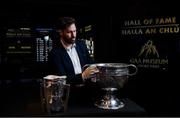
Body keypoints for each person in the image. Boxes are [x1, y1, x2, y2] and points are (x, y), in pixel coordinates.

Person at [48, 17, 99, 104]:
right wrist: (83, 76)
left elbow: (90, 62)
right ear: (61, 32)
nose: (73, 35)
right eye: (69, 32)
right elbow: (61, 79)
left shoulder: (81, 45)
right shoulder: (55, 53)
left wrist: (96, 70)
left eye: (75, 31)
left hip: (88, 93)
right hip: (69, 98)